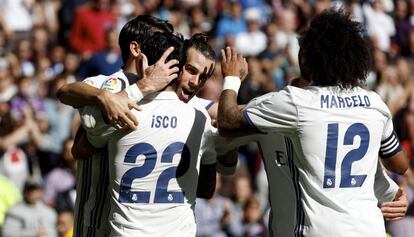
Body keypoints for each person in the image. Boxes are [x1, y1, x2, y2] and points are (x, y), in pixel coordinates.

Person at [216, 9, 408, 236]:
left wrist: (230, 78)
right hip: (368, 229)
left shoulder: (294, 102)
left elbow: (227, 121)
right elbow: (400, 165)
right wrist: (395, 193)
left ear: (307, 60)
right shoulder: (374, 103)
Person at [79, 31, 215, 236]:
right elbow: (207, 188)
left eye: (204, 77)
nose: (196, 82)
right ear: (177, 69)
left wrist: (138, 89)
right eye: (190, 70)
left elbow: (81, 144)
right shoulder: (200, 118)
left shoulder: (122, 111)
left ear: (143, 63)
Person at [57, 15, 177, 237]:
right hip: (95, 221)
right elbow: (64, 91)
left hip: (139, 224)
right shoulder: (108, 83)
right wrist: (102, 96)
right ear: (135, 48)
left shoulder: (166, 93)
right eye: (158, 42)